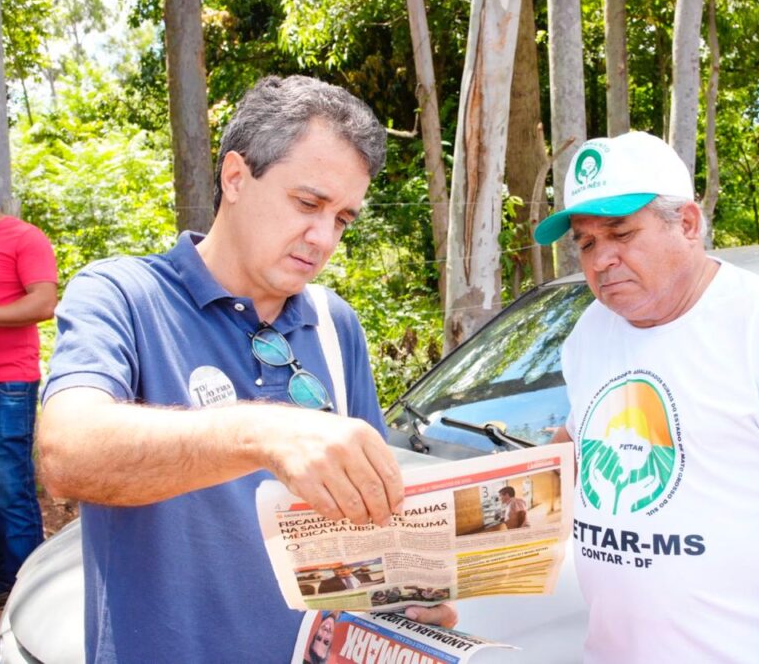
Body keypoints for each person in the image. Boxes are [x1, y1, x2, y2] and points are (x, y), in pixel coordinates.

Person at [37, 76, 455, 662]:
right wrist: (265, 433)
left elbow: (369, 529)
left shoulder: (335, 327)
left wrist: (407, 602)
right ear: (235, 177)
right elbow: (67, 454)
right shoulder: (122, 296)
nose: (322, 236)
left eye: (342, 219)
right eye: (308, 203)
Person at [534, 131, 759, 663]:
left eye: (622, 233)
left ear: (689, 224)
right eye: (585, 243)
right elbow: (577, 446)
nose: (601, 259)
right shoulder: (592, 331)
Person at [0, 165, 57, 619]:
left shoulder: (24, 238)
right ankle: (7, 581)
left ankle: (31, 592)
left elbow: (44, 302)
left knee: (12, 490)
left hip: (4, 383)